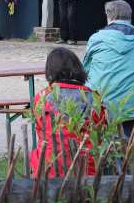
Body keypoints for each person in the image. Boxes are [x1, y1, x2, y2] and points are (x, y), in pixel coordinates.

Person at [28, 47, 106, 178]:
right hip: (86, 169)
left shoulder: (41, 98)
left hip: (48, 168)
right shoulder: (94, 98)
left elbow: (41, 132)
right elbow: (100, 134)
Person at [82, 0, 134, 131]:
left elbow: (85, 70)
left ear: (108, 16)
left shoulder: (96, 39)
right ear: (130, 16)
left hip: (102, 103)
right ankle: (128, 143)